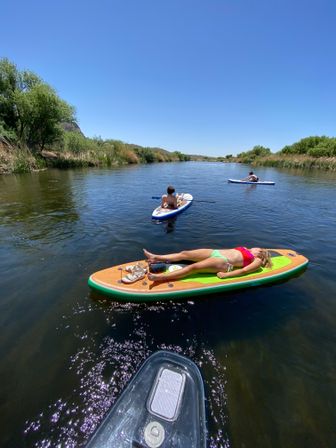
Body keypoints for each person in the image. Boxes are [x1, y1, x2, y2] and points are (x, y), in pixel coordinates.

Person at [144, 247, 272, 282]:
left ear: (260, 252)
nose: (254, 247)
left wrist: (227, 275)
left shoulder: (257, 261)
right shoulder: (246, 248)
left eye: (258, 248)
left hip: (223, 262)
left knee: (192, 268)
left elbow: (244, 271)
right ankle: (155, 257)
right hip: (215, 252)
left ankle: (160, 278)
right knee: (185, 253)